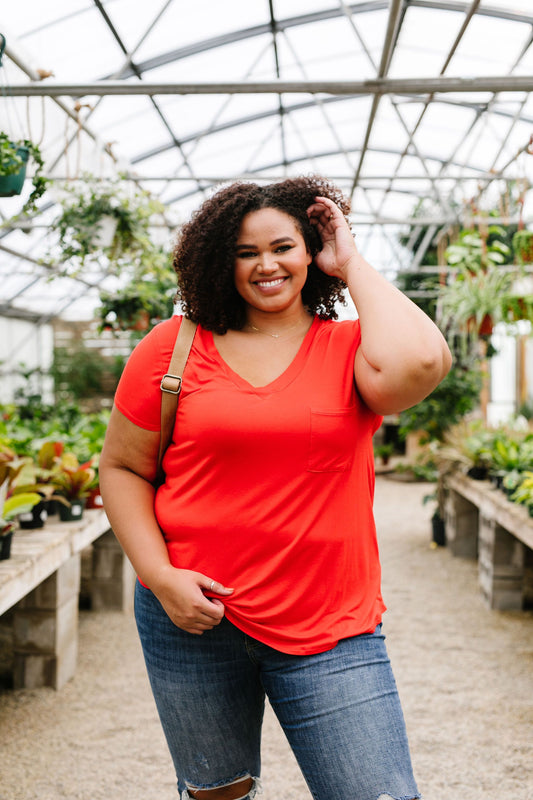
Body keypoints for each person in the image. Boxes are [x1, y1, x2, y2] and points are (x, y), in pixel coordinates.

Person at [99, 175, 452, 800]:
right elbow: (124, 469)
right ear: (218, 260)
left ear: (309, 253)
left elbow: (422, 363)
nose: (267, 265)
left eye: (283, 247)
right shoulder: (171, 349)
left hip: (330, 623)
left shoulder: (351, 350)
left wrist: (350, 263)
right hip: (192, 617)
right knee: (218, 793)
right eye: (245, 251)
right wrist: (160, 575)